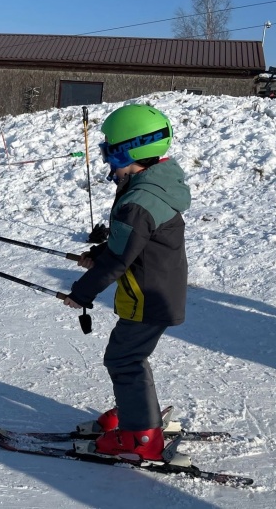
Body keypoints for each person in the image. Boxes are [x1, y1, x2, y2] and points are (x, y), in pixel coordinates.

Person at [62, 104, 191, 461]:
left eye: (109, 150)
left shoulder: (138, 200)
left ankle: (141, 437)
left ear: (128, 151)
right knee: (130, 356)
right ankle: (135, 412)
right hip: (159, 290)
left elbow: (122, 258)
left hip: (148, 297)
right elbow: (129, 242)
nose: (106, 160)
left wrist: (81, 293)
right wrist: (100, 252)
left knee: (124, 359)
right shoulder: (154, 183)